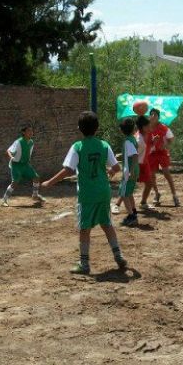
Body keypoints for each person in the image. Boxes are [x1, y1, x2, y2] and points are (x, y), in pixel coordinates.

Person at [42, 111, 127, 275]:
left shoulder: (78, 147)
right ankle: (118, 255)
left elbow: (68, 170)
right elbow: (116, 168)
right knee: (107, 224)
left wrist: (50, 182)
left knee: (84, 229)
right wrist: (109, 171)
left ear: (79, 128)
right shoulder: (104, 145)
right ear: (97, 128)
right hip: (103, 191)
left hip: (87, 195)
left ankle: (84, 264)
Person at [1, 124, 45, 207]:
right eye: (28, 131)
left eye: (32, 131)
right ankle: (4, 200)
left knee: (36, 177)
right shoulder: (18, 142)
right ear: (23, 132)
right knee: (15, 182)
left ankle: (35, 195)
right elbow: (8, 151)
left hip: (25, 164)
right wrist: (12, 157)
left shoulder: (31, 142)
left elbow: (28, 153)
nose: (31, 132)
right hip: (16, 165)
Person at [147, 108, 181, 207]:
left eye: (155, 115)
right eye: (151, 114)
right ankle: (157, 194)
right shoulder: (146, 128)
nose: (153, 116)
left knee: (166, 173)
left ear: (158, 117)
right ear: (149, 116)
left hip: (162, 153)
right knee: (152, 175)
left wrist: (164, 145)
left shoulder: (163, 128)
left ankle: (174, 196)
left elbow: (171, 139)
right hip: (151, 154)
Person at [118, 118, 140, 226]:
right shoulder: (132, 139)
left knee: (124, 194)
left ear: (121, 130)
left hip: (129, 171)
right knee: (129, 192)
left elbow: (135, 155)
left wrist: (130, 171)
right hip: (134, 170)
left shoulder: (127, 141)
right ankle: (134, 211)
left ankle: (131, 216)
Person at [136, 116, 155, 210]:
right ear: (143, 127)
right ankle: (117, 204)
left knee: (149, 183)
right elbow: (134, 153)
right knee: (129, 185)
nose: (149, 127)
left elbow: (148, 147)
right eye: (148, 126)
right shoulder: (138, 139)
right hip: (137, 164)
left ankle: (143, 202)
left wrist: (153, 142)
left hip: (144, 162)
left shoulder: (147, 134)